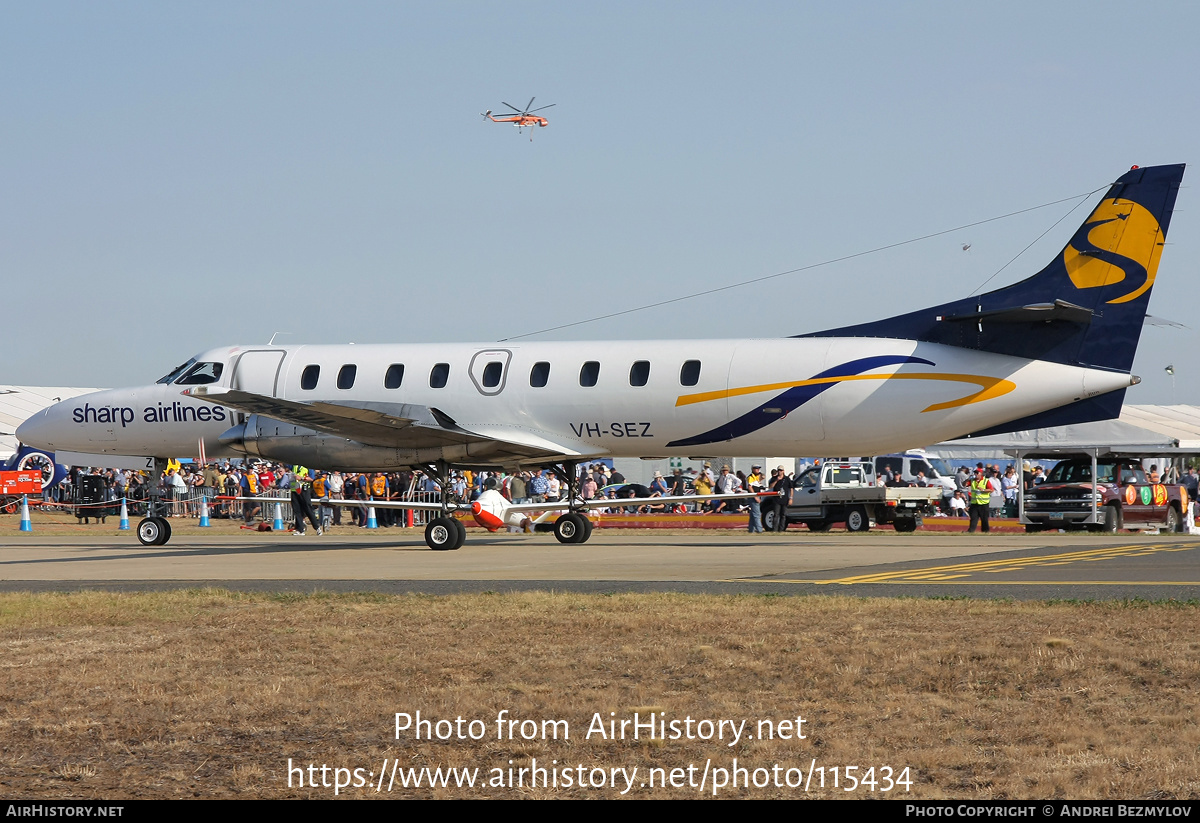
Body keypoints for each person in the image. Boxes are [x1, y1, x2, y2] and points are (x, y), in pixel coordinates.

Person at [967, 468, 992, 533]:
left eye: (977, 473)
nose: (975, 474)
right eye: (975, 473)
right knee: (973, 518)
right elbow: (964, 485)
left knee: (984, 519)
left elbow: (991, 490)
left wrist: (983, 490)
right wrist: (968, 479)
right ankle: (971, 531)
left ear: (981, 474)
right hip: (975, 503)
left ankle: (985, 531)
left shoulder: (985, 481)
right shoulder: (972, 480)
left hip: (984, 503)